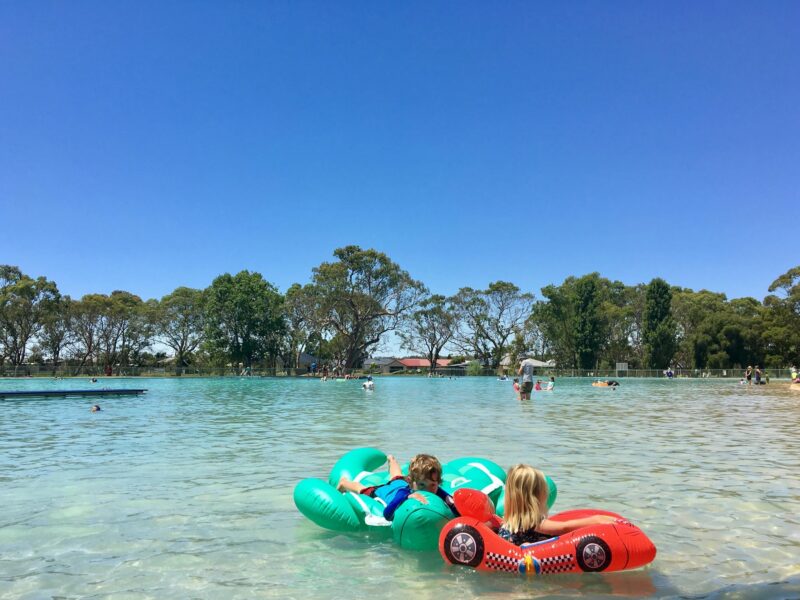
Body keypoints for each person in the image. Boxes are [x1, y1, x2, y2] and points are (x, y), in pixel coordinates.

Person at [497, 464, 617, 546]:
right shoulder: (535, 523)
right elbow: (564, 528)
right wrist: (596, 520)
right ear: (537, 497)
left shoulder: (507, 523)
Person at [337, 453, 457, 521]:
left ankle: (391, 459)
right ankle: (344, 482)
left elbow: (450, 501)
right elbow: (387, 514)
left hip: (399, 482)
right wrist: (407, 497)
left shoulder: (434, 488)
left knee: (397, 477)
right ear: (411, 482)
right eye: (421, 485)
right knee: (362, 489)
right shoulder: (403, 493)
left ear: (437, 483)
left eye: (433, 484)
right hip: (384, 492)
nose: (428, 490)